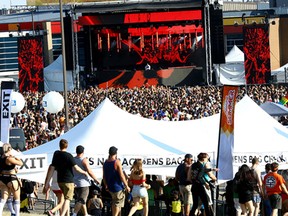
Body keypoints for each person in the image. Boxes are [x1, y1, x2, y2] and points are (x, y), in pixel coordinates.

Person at [43, 139, 88, 216]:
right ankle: (62, 215)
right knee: (67, 200)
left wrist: (47, 183)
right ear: (67, 146)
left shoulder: (56, 154)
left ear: (59, 145)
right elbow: (76, 168)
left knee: (63, 200)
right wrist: (84, 172)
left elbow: (52, 168)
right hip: (69, 180)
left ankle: (63, 214)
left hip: (60, 181)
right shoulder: (69, 156)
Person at [72, 145, 100, 216]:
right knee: (81, 200)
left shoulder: (72, 159)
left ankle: (85, 214)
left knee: (81, 199)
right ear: (83, 152)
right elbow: (89, 171)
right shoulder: (84, 160)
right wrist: (96, 179)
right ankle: (74, 213)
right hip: (83, 183)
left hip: (75, 183)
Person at [102, 146, 131, 216]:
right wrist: (127, 185)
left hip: (110, 187)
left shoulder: (105, 163)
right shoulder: (117, 162)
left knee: (114, 203)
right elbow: (121, 176)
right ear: (116, 153)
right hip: (118, 187)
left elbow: (104, 176)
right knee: (118, 204)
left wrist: (106, 185)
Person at [0, 143, 23, 216]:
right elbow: (20, 163)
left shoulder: (1, 157)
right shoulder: (9, 158)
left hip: (2, 179)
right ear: (9, 149)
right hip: (11, 178)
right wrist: (16, 157)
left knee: (3, 199)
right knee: (17, 199)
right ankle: (16, 214)